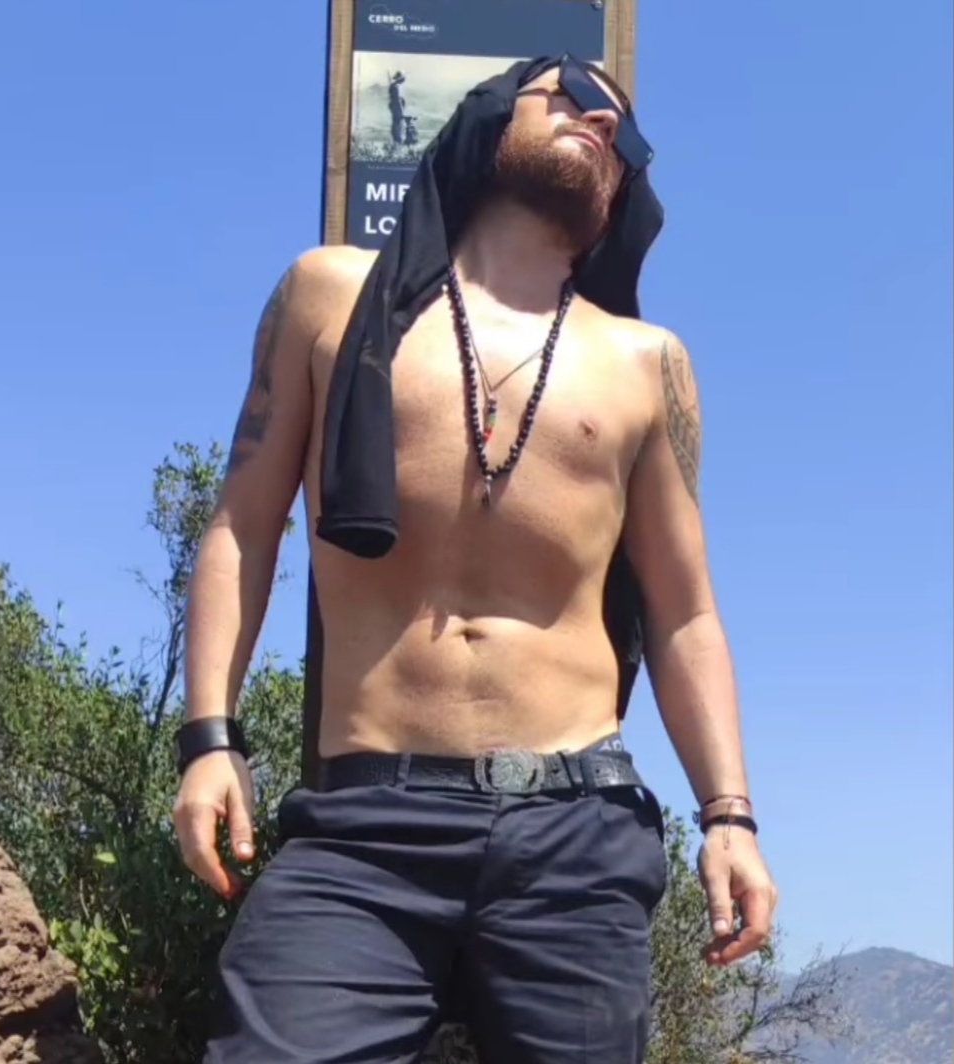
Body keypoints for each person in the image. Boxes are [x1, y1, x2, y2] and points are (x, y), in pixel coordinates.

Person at [174, 54, 778, 1064]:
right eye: (571, 94)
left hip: (575, 828)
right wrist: (208, 739)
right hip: (365, 824)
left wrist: (730, 817)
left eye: (623, 130)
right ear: (489, 116)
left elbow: (683, 613)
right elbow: (243, 522)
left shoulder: (645, 364)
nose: (600, 121)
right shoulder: (331, 295)